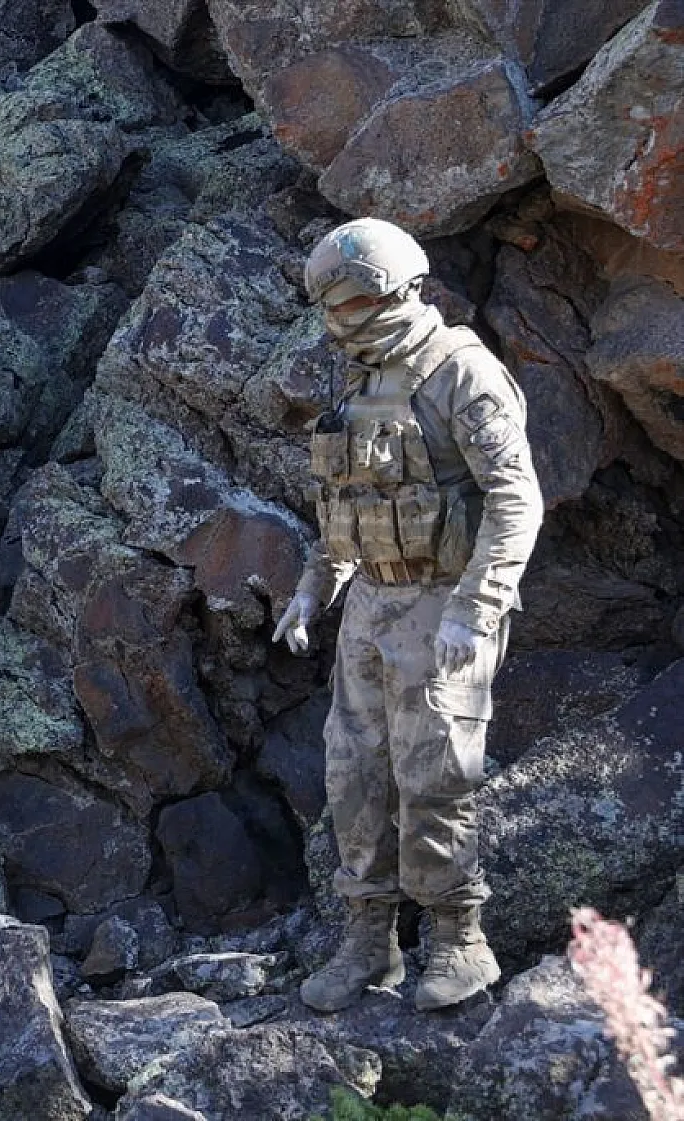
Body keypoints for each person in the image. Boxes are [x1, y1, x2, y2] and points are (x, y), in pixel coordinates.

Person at [274, 217, 543, 1012]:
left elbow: (516, 498)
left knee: (435, 774)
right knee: (354, 774)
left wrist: (477, 606)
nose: (338, 320)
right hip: (369, 606)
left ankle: (461, 939)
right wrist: (311, 588)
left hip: (443, 604)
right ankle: (370, 939)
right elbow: (345, 502)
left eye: (349, 302)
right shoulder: (358, 378)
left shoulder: (461, 373)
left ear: (386, 292)